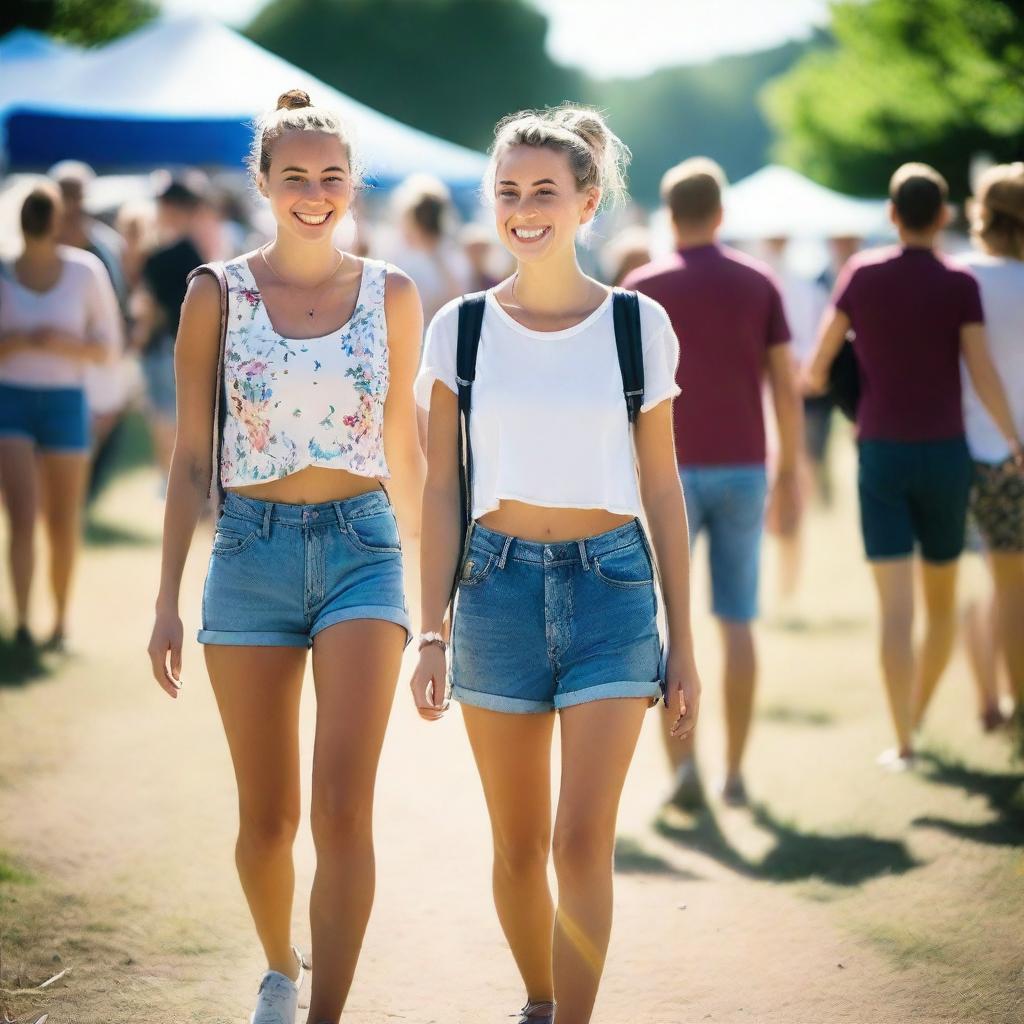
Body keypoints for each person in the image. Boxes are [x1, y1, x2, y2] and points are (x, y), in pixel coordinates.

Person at [411, 105, 701, 1024]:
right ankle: (540, 1000)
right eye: (507, 192)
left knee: (582, 845)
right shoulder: (457, 329)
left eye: (545, 192)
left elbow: (663, 490)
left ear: (587, 203)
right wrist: (429, 628)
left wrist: (683, 643)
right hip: (491, 589)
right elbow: (442, 490)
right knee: (516, 847)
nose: (524, 209)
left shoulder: (636, 325)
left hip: (614, 589)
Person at [146, 90, 424, 1024]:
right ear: (262, 182)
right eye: (295, 176)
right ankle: (278, 965)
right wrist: (164, 602)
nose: (314, 192)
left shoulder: (393, 293)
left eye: (332, 176)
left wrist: (436, 605)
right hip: (250, 557)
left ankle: (324, 1017)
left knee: (344, 812)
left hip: (363, 552)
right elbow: (190, 459)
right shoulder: (212, 293)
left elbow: (406, 454)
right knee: (268, 824)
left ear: (353, 185)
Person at [806, 162, 1023, 769]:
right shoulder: (960, 285)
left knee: (895, 611)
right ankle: (923, 716)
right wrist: (1012, 437)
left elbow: (820, 362)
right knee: (943, 603)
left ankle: (903, 740)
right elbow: (980, 372)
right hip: (948, 456)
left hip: (881, 454)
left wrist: (832, 384)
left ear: (892, 215)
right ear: (945, 216)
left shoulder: (860, 275)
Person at [624, 158, 803, 809]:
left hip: (665, 473)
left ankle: (682, 770)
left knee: (670, 619)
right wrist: (791, 473)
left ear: (669, 215)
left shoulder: (643, 286)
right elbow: (785, 384)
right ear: (721, 212)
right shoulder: (760, 283)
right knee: (738, 620)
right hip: (746, 466)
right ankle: (734, 772)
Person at [0, 183, 121, 649]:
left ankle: (60, 620)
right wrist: (20, 342)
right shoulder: (4, 272)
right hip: (11, 401)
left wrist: (59, 343)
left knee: (63, 520)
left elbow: (107, 347)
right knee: (23, 515)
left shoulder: (84, 272)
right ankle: (25, 622)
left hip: (66, 402)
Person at [956, 162, 1024, 732]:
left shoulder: (961, 277)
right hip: (1012, 452)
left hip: (964, 449)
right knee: (1011, 587)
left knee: (984, 583)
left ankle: (986, 698)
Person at [132, 174, 206, 479]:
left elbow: (151, 309)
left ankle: (171, 483)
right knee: (183, 420)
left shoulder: (160, 256)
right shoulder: (195, 252)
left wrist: (138, 340)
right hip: (191, 347)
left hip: (163, 345)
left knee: (164, 419)